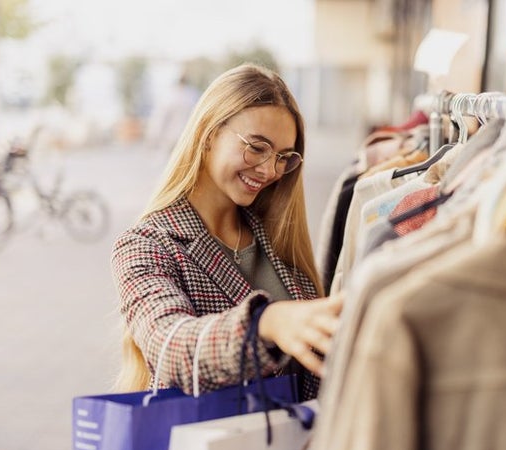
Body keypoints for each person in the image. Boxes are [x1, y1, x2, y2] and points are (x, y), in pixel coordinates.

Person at [111, 63, 343, 400]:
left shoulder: (280, 244)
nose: (269, 170)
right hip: (198, 449)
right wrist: (266, 324)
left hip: (295, 449)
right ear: (208, 134)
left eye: (282, 157)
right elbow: (170, 347)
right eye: (257, 147)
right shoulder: (146, 245)